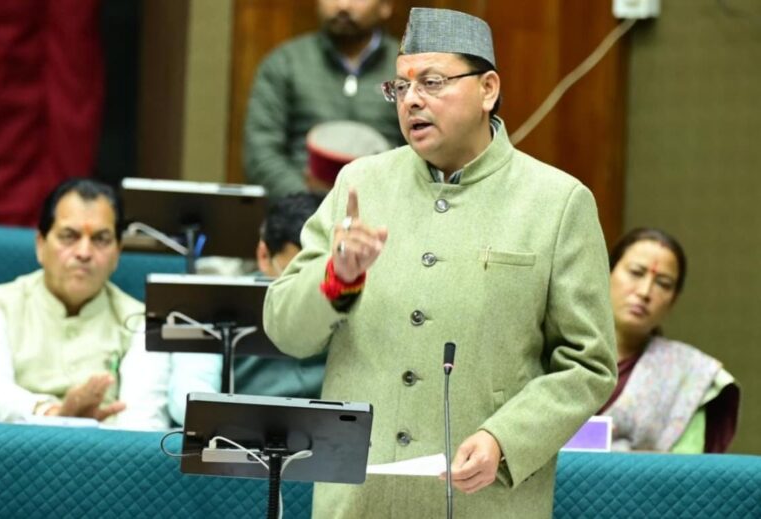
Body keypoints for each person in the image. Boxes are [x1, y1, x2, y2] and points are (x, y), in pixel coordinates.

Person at [262, 8, 617, 518]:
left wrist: (505, 439)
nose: (412, 100)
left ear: (488, 89)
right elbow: (286, 332)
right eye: (400, 87)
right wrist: (338, 279)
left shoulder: (556, 202)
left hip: (483, 500)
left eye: (431, 82)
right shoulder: (359, 185)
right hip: (360, 500)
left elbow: (588, 364)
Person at [0, 178, 170, 430]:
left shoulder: (142, 322)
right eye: (69, 236)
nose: (84, 252)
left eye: (101, 239)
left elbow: (144, 423)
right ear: (40, 245)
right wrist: (52, 414)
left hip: (104, 453)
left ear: (117, 253)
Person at [168, 193, 325, 426]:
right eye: (295, 272)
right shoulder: (217, 300)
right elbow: (191, 392)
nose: (306, 289)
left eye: (318, 273)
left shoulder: (345, 299)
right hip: (238, 433)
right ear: (264, 256)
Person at [243, 0, 405, 198]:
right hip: (299, 205)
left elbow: (423, 153)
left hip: (385, 203)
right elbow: (261, 153)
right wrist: (305, 203)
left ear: (385, 6)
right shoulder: (285, 63)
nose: (343, 5)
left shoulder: (406, 69)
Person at [600, 227, 740, 453]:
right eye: (636, 272)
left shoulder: (691, 374)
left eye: (663, 283)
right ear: (605, 274)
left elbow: (688, 467)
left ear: (673, 300)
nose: (645, 292)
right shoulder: (556, 349)